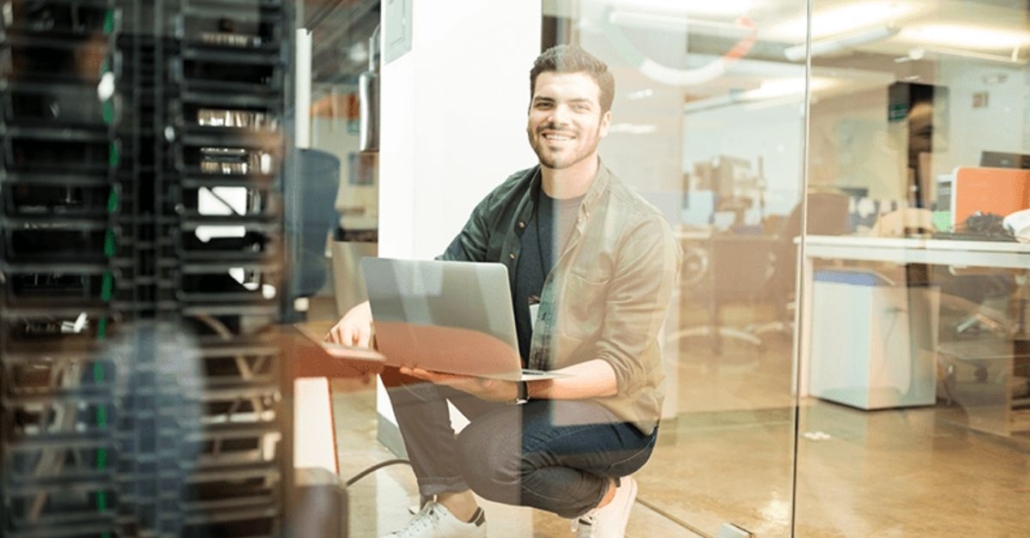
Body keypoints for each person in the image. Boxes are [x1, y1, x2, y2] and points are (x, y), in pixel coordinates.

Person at [327, 44, 680, 538]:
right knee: (398, 344)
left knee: (488, 456)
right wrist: (371, 309)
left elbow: (619, 370)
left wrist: (514, 388)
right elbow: (442, 277)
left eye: (579, 106)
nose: (559, 118)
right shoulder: (507, 200)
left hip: (610, 413)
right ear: (530, 113)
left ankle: (606, 496)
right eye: (545, 103)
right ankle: (454, 510)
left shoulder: (640, 229)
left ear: (603, 123)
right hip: (521, 387)